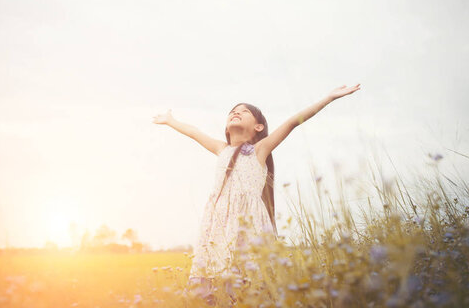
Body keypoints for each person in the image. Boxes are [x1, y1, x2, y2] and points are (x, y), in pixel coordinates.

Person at [152, 84, 361, 304]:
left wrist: (328, 98)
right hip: (219, 223)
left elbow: (292, 122)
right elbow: (194, 132)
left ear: (259, 126)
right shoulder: (220, 149)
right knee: (212, 277)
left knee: (249, 281)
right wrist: (170, 120)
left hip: (249, 224)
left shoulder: (260, 150)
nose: (236, 112)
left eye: (244, 111)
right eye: (233, 111)